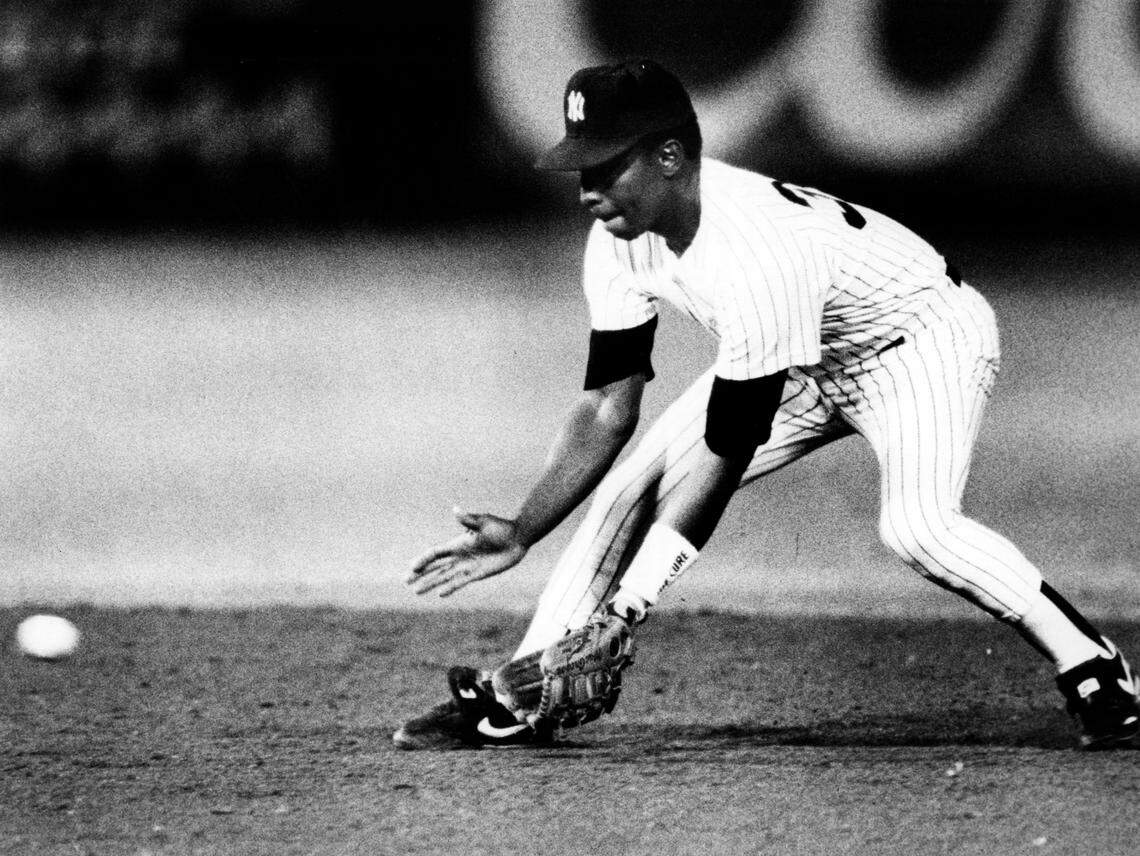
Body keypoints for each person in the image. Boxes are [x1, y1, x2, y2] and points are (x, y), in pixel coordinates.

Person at [394, 59, 1139, 751]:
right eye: (580, 167)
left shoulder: (757, 250)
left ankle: (1093, 667)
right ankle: (522, 697)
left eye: (606, 165)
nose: (587, 188)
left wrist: (630, 608)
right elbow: (606, 408)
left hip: (919, 342)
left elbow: (727, 451)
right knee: (629, 494)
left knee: (918, 527)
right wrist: (524, 527)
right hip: (799, 358)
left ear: (670, 156)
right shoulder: (618, 241)